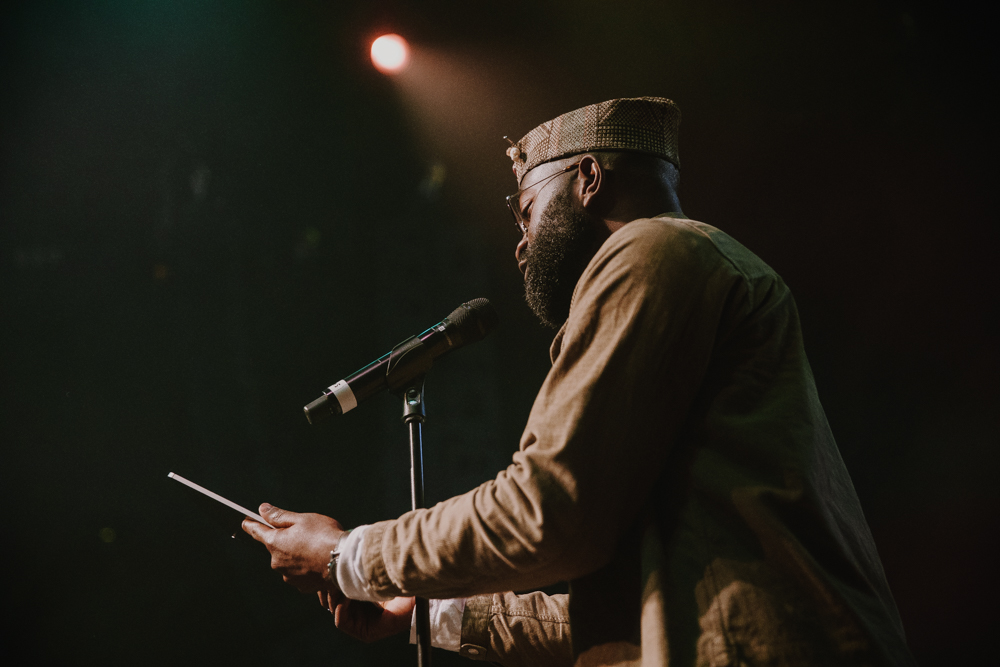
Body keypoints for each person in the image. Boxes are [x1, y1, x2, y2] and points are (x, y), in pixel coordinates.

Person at [243, 97, 915, 666]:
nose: (519, 240)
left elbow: (546, 511)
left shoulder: (653, 251)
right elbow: (618, 608)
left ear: (588, 176)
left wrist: (349, 554)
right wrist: (430, 615)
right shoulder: (688, 269)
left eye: (525, 209)